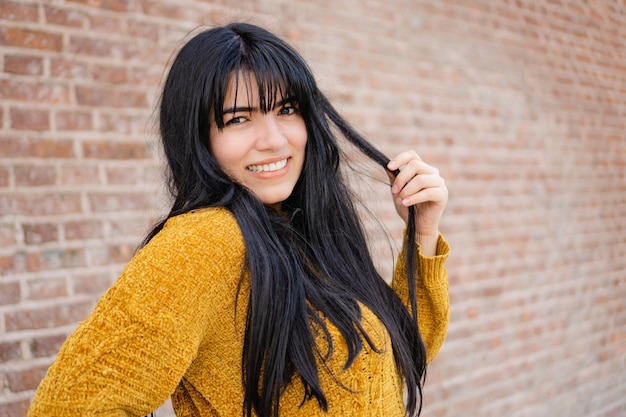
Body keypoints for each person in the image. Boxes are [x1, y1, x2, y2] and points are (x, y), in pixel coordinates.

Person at [28, 22, 450, 417]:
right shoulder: (201, 244)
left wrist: (423, 233)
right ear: (198, 137)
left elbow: (400, 356)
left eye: (286, 110)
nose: (273, 140)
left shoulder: (302, 231)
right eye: (239, 119)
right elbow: (70, 404)